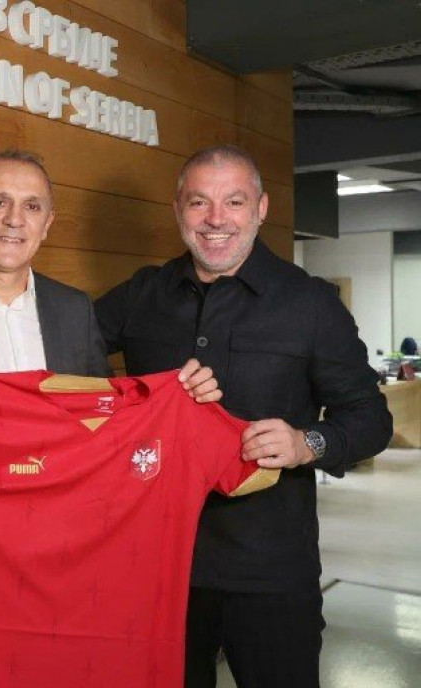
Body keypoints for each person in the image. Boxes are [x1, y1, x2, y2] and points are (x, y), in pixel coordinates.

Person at [0, 150, 221, 688]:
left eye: (32, 206)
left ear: (49, 222)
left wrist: (182, 400)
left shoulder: (75, 310)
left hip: (57, 579)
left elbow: (104, 433)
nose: (15, 219)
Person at [95, 144, 393, 688]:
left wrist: (307, 443)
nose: (216, 219)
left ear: (261, 208)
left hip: (269, 571)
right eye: (198, 202)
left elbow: (371, 417)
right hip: (158, 566)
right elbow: (67, 372)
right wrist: (137, 400)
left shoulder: (310, 303)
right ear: (178, 210)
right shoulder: (141, 295)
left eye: (233, 201)